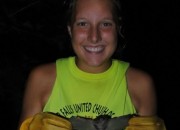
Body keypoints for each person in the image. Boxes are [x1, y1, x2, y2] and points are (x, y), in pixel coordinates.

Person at [18, 0, 166, 129]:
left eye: (105, 24)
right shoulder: (42, 79)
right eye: (83, 24)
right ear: (70, 29)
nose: (94, 37)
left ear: (118, 28)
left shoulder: (140, 84)